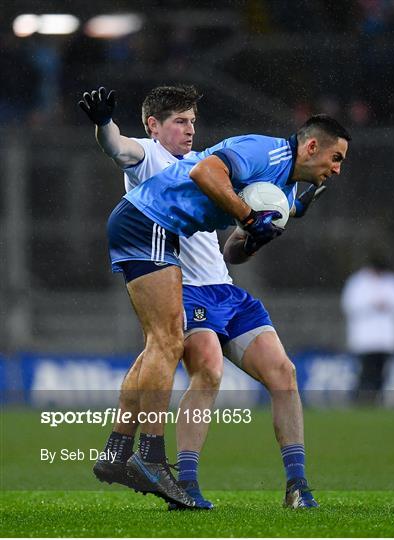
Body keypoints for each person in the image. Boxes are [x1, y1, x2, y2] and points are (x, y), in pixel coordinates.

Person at [79, 87, 351, 509]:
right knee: (168, 344)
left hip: (167, 238)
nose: (337, 170)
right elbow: (203, 173)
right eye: (336, 158)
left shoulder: (284, 187)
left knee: (167, 345)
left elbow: (235, 250)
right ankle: (150, 458)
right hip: (147, 220)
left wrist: (259, 233)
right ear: (311, 146)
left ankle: (118, 453)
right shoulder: (263, 151)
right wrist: (247, 216)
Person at [341, 254, 394, 404]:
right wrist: (371, 304)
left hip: (387, 338)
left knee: (382, 373)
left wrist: (389, 304)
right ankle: (361, 400)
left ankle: (376, 400)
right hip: (365, 338)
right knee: (366, 372)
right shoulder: (358, 282)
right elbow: (350, 305)